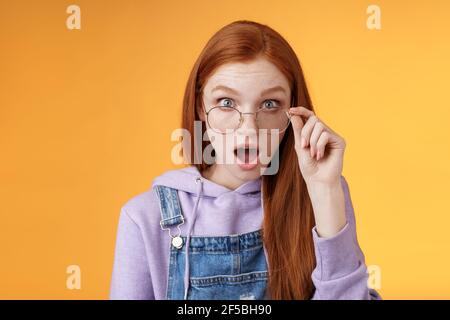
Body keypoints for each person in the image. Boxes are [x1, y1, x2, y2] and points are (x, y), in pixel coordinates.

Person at [109, 20, 382, 300]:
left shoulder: (321, 196)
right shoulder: (144, 217)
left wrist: (326, 191)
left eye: (270, 104)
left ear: (294, 114)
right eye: (227, 103)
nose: (249, 131)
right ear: (200, 108)